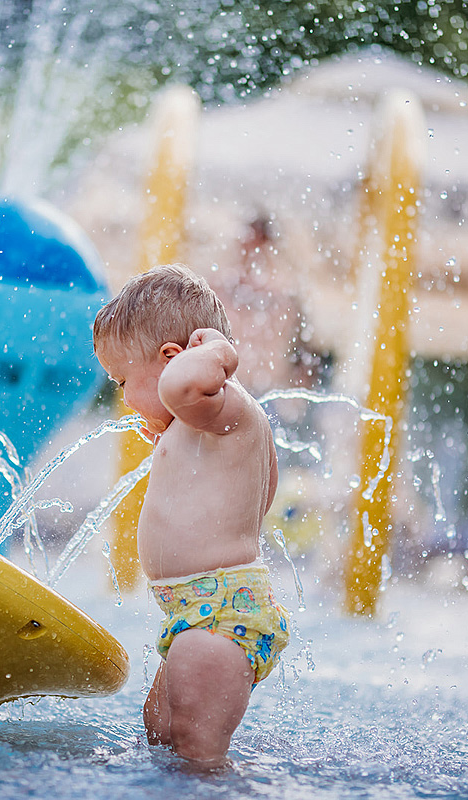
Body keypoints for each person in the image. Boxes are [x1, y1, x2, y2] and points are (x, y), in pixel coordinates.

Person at [92, 264, 291, 767]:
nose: (122, 397)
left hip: (221, 612)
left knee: (197, 749)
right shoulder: (210, 423)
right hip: (197, 611)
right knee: (160, 729)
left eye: (123, 380)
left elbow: (181, 387)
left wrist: (218, 351)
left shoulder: (227, 405)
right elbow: (259, 492)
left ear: (174, 359)